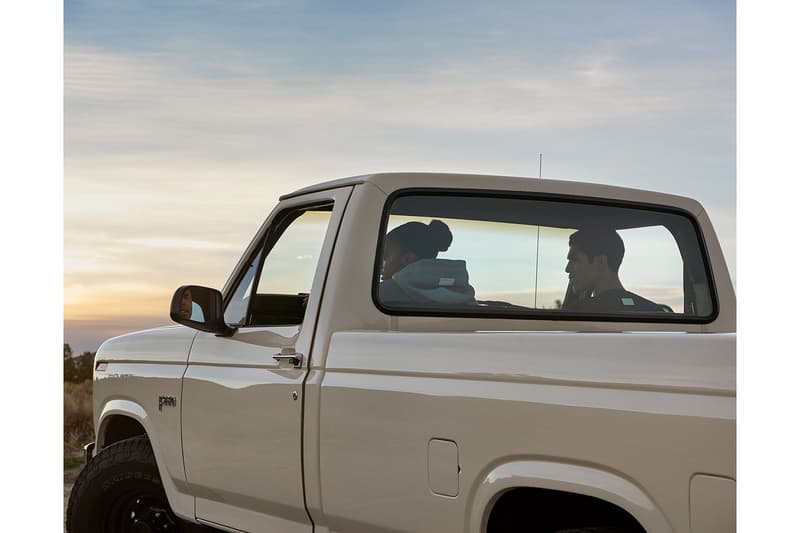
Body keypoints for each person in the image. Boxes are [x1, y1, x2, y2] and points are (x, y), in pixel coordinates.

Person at [563, 228, 664, 313]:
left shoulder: (580, 313)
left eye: (575, 260)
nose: (567, 269)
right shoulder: (655, 311)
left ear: (601, 262)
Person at [379, 219, 476, 306]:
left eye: (385, 256)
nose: (380, 265)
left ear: (408, 259)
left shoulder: (381, 295)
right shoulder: (466, 295)